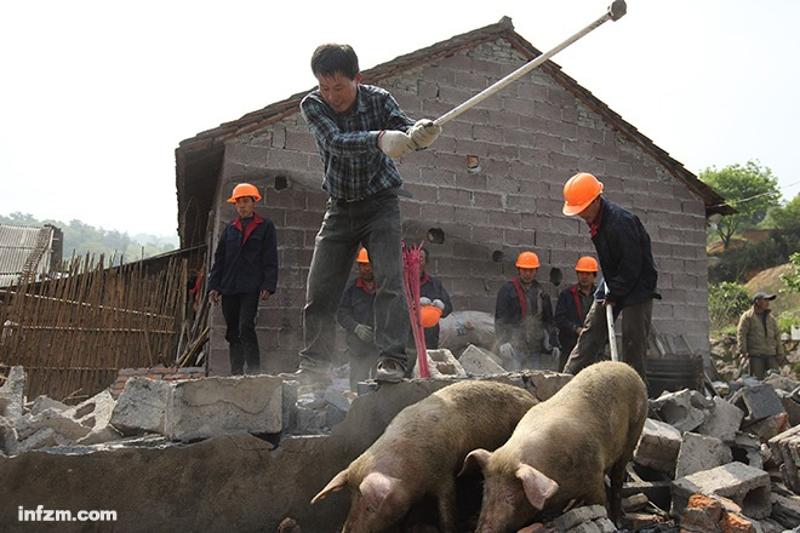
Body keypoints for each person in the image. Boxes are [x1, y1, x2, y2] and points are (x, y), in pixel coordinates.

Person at [288, 43, 442, 384]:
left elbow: (405, 130)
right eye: (325, 87)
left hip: (380, 204)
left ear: (357, 78)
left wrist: (421, 134)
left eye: (339, 87)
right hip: (340, 209)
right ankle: (314, 365)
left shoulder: (379, 100)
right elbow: (335, 143)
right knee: (320, 289)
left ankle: (392, 359)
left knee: (389, 281)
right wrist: (380, 139)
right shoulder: (313, 105)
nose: (332, 96)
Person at [560, 172, 658, 382]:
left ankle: (634, 394)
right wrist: (609, 290)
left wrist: (615, 291)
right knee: (592, 330)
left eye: (583, 208)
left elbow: (632, 265)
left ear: (596, 200)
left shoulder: (620, 222)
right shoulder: (597, 220)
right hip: (613, 279)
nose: (581, 215)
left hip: (638, 284)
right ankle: (565, 381)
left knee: (633, 342)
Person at [208, 183, 278, 375]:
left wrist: (268, 284)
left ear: (254, 202)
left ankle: (254, 371)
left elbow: (270, 257)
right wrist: (214, 286)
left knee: (245, 326)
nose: (242, 206)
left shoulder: (265, 227)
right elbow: (219, 259)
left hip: (251, 286)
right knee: (232, 331)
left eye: (246, 201)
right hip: (229, 286)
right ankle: (236, 373)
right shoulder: (230, 229)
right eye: (238, 202)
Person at [494, 251, 559, 370]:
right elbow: (500, 318)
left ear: (536, 271)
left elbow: (549, 321)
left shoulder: (542, 293)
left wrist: (554, 343)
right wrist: (503, 342)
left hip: (534, 348)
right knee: (515, 381)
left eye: (531, 270)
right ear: (519, 270)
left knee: (533, 382)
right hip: (514, 347)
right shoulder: (508, 290)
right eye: (524, 270)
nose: (527, 273)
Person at [337, 248, 379, 389]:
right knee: (357, 387)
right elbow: (341, 313)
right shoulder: (351, 288)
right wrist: (356, 327)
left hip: (380, 347)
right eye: (362, 265)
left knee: (379, 386)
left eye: (368, 265)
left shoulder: (384, 288)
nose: (365, 269)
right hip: (358, 347)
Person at [555, 256, 598, 370]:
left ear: (594, 276)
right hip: (569, 346)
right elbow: (560, 319)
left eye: (587, 274)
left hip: (593, 349)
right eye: (581, 273)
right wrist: (576, 329)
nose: (584, 277)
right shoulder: (567, 295)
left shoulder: (599, 297)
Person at [737, 292, 783, 379]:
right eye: (765, 300)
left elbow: (777, 336)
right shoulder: (747, 317)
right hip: (756, 356)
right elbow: (741, 334)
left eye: (768, 300)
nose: (768, 302)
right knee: (757, 381)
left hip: (771, 354)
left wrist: (780, 352)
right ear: (757, 302)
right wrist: (743, 351)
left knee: (776, 379)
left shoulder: (771, 318)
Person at [418, 247, 453, 349]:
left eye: (420, 258)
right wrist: (413, 305)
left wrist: (441, 307)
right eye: (414, 259)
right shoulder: (402, 284)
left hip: (430, 338)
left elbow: (449, 307)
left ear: (426, 262)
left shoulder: (435, 284)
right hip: (407, 338)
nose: (417, 262)